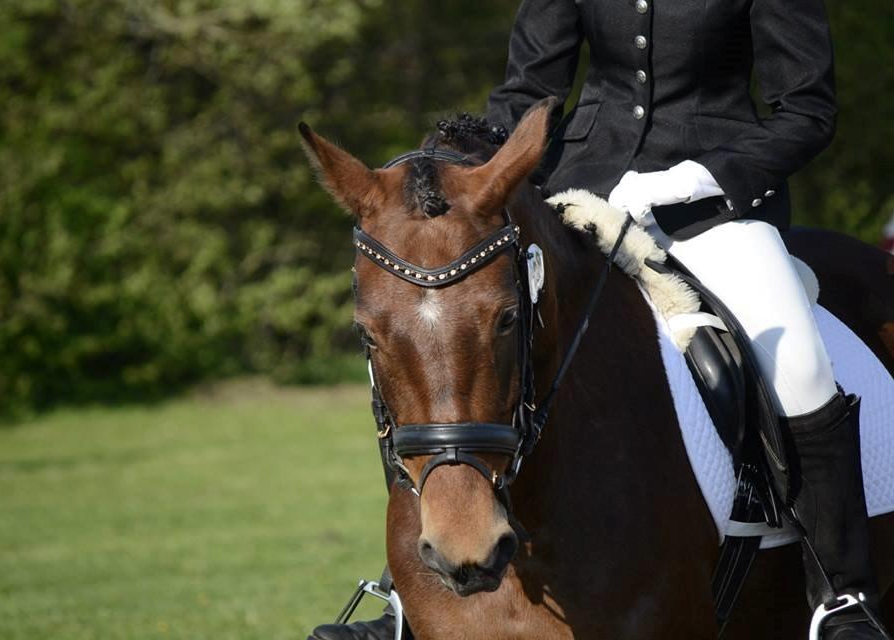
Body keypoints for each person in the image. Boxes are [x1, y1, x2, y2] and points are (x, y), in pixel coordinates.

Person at [310, 1, 889, 638]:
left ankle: (842, 595)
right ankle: (404, 598)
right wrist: (459, 175)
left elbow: (807, 109)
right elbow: (530, 90)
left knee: (799, 361)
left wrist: (695, 178)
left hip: (715, 206)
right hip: (581, 191)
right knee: (454, 334)